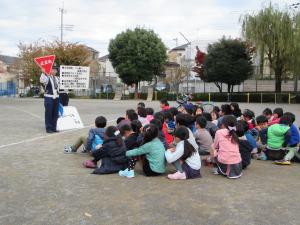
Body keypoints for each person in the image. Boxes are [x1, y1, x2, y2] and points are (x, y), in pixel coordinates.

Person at [40, 67, 60, 133]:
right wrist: (43, 72)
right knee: (48, 113)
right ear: (50, 70)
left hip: (56, 97)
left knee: (55, 114)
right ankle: (48, 128)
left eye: (55, 70)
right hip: (49, 97)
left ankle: (54, 127)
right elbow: (42, 80)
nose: (54, 71)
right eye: (53, 69)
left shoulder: (57, 78)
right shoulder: (47, 77)